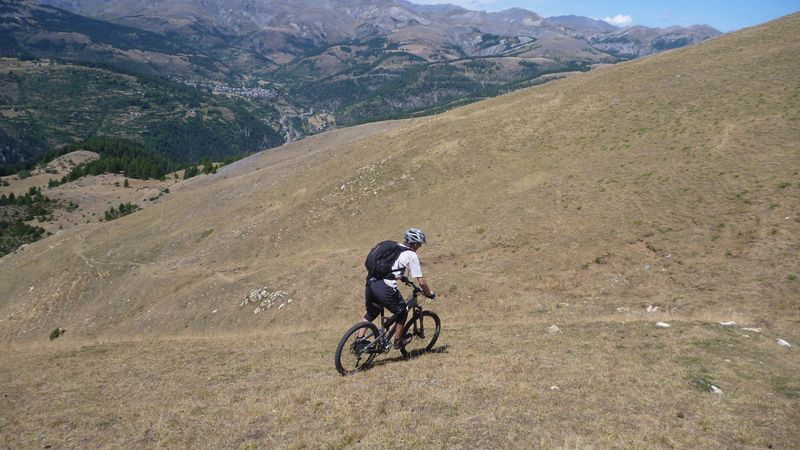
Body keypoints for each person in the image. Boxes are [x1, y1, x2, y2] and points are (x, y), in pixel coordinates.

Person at [359, 227, 437, 348]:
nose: (419, 247)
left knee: (371, 313)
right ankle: (398, 341)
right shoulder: (411, 255)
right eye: (419, 244)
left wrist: (402, 278)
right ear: (415, 243)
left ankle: (359, 341)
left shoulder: (394, 247)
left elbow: (391, 268)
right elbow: (421, 281)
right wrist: (429, 294)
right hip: (384, 287)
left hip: (371, 282)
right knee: (402, 311)